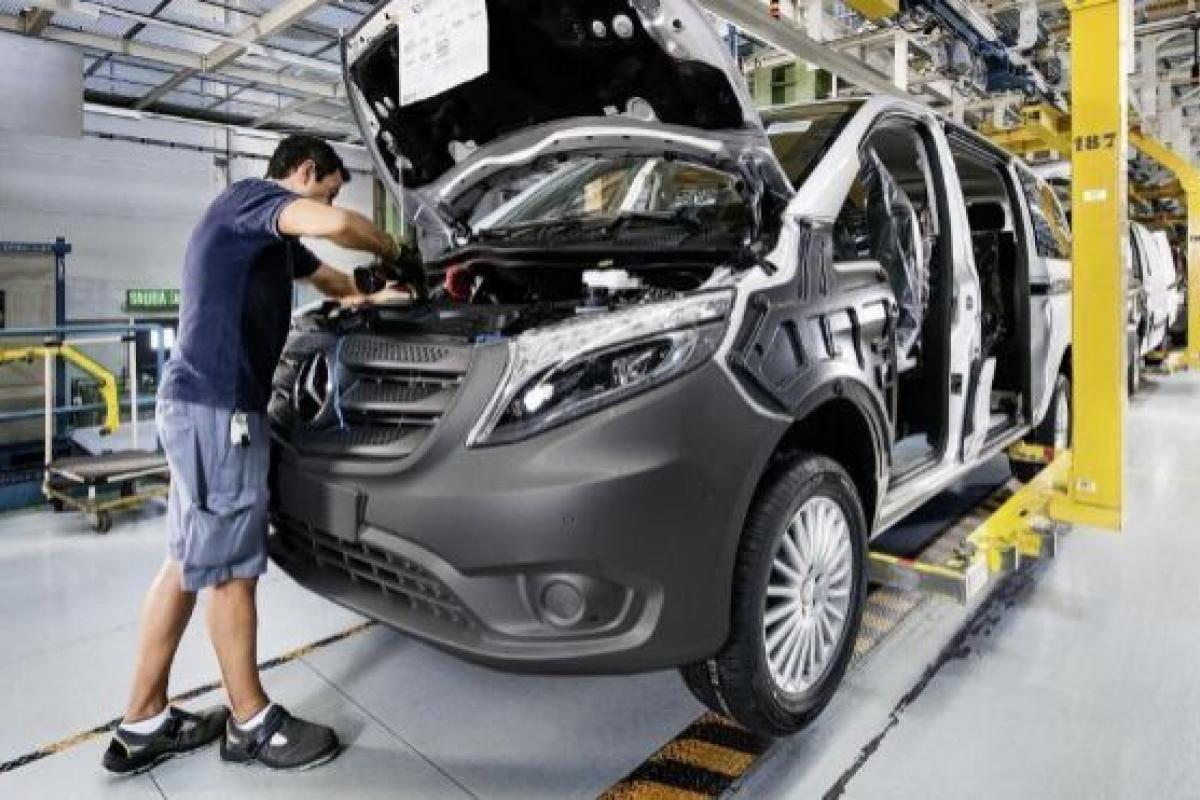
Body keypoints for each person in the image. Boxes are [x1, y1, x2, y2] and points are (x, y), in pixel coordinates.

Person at [103, 135, 406, 774]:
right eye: (327, 189)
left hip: (197, 406)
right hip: (220, 412)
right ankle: (250, 722)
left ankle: (142, 722)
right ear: (305, 172)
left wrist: (378, 292)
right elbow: (338, 228)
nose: (329, 204)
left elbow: (332, 280)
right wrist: (393, 246)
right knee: (230, 570)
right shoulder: (251, 199)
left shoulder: (268, 239)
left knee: (187, 560)